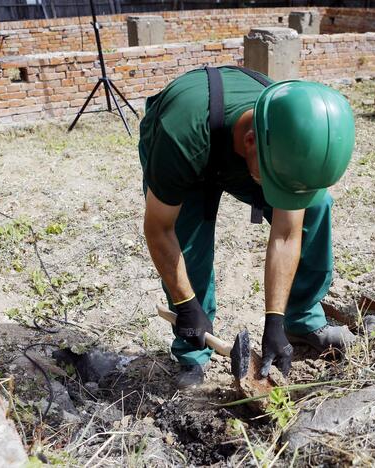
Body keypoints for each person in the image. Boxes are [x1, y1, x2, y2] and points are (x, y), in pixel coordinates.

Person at [138, 65, 356, 388]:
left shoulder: (287, 135)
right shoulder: (179, 137)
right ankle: (192, 349)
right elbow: (159, 229)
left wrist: (276, 320)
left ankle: (301, 320)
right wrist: (185, 305)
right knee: (187, 240)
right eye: (275, 180)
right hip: (188, 142)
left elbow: (286, 233)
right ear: (251, 141)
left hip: (249, 151)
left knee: (314, 208)